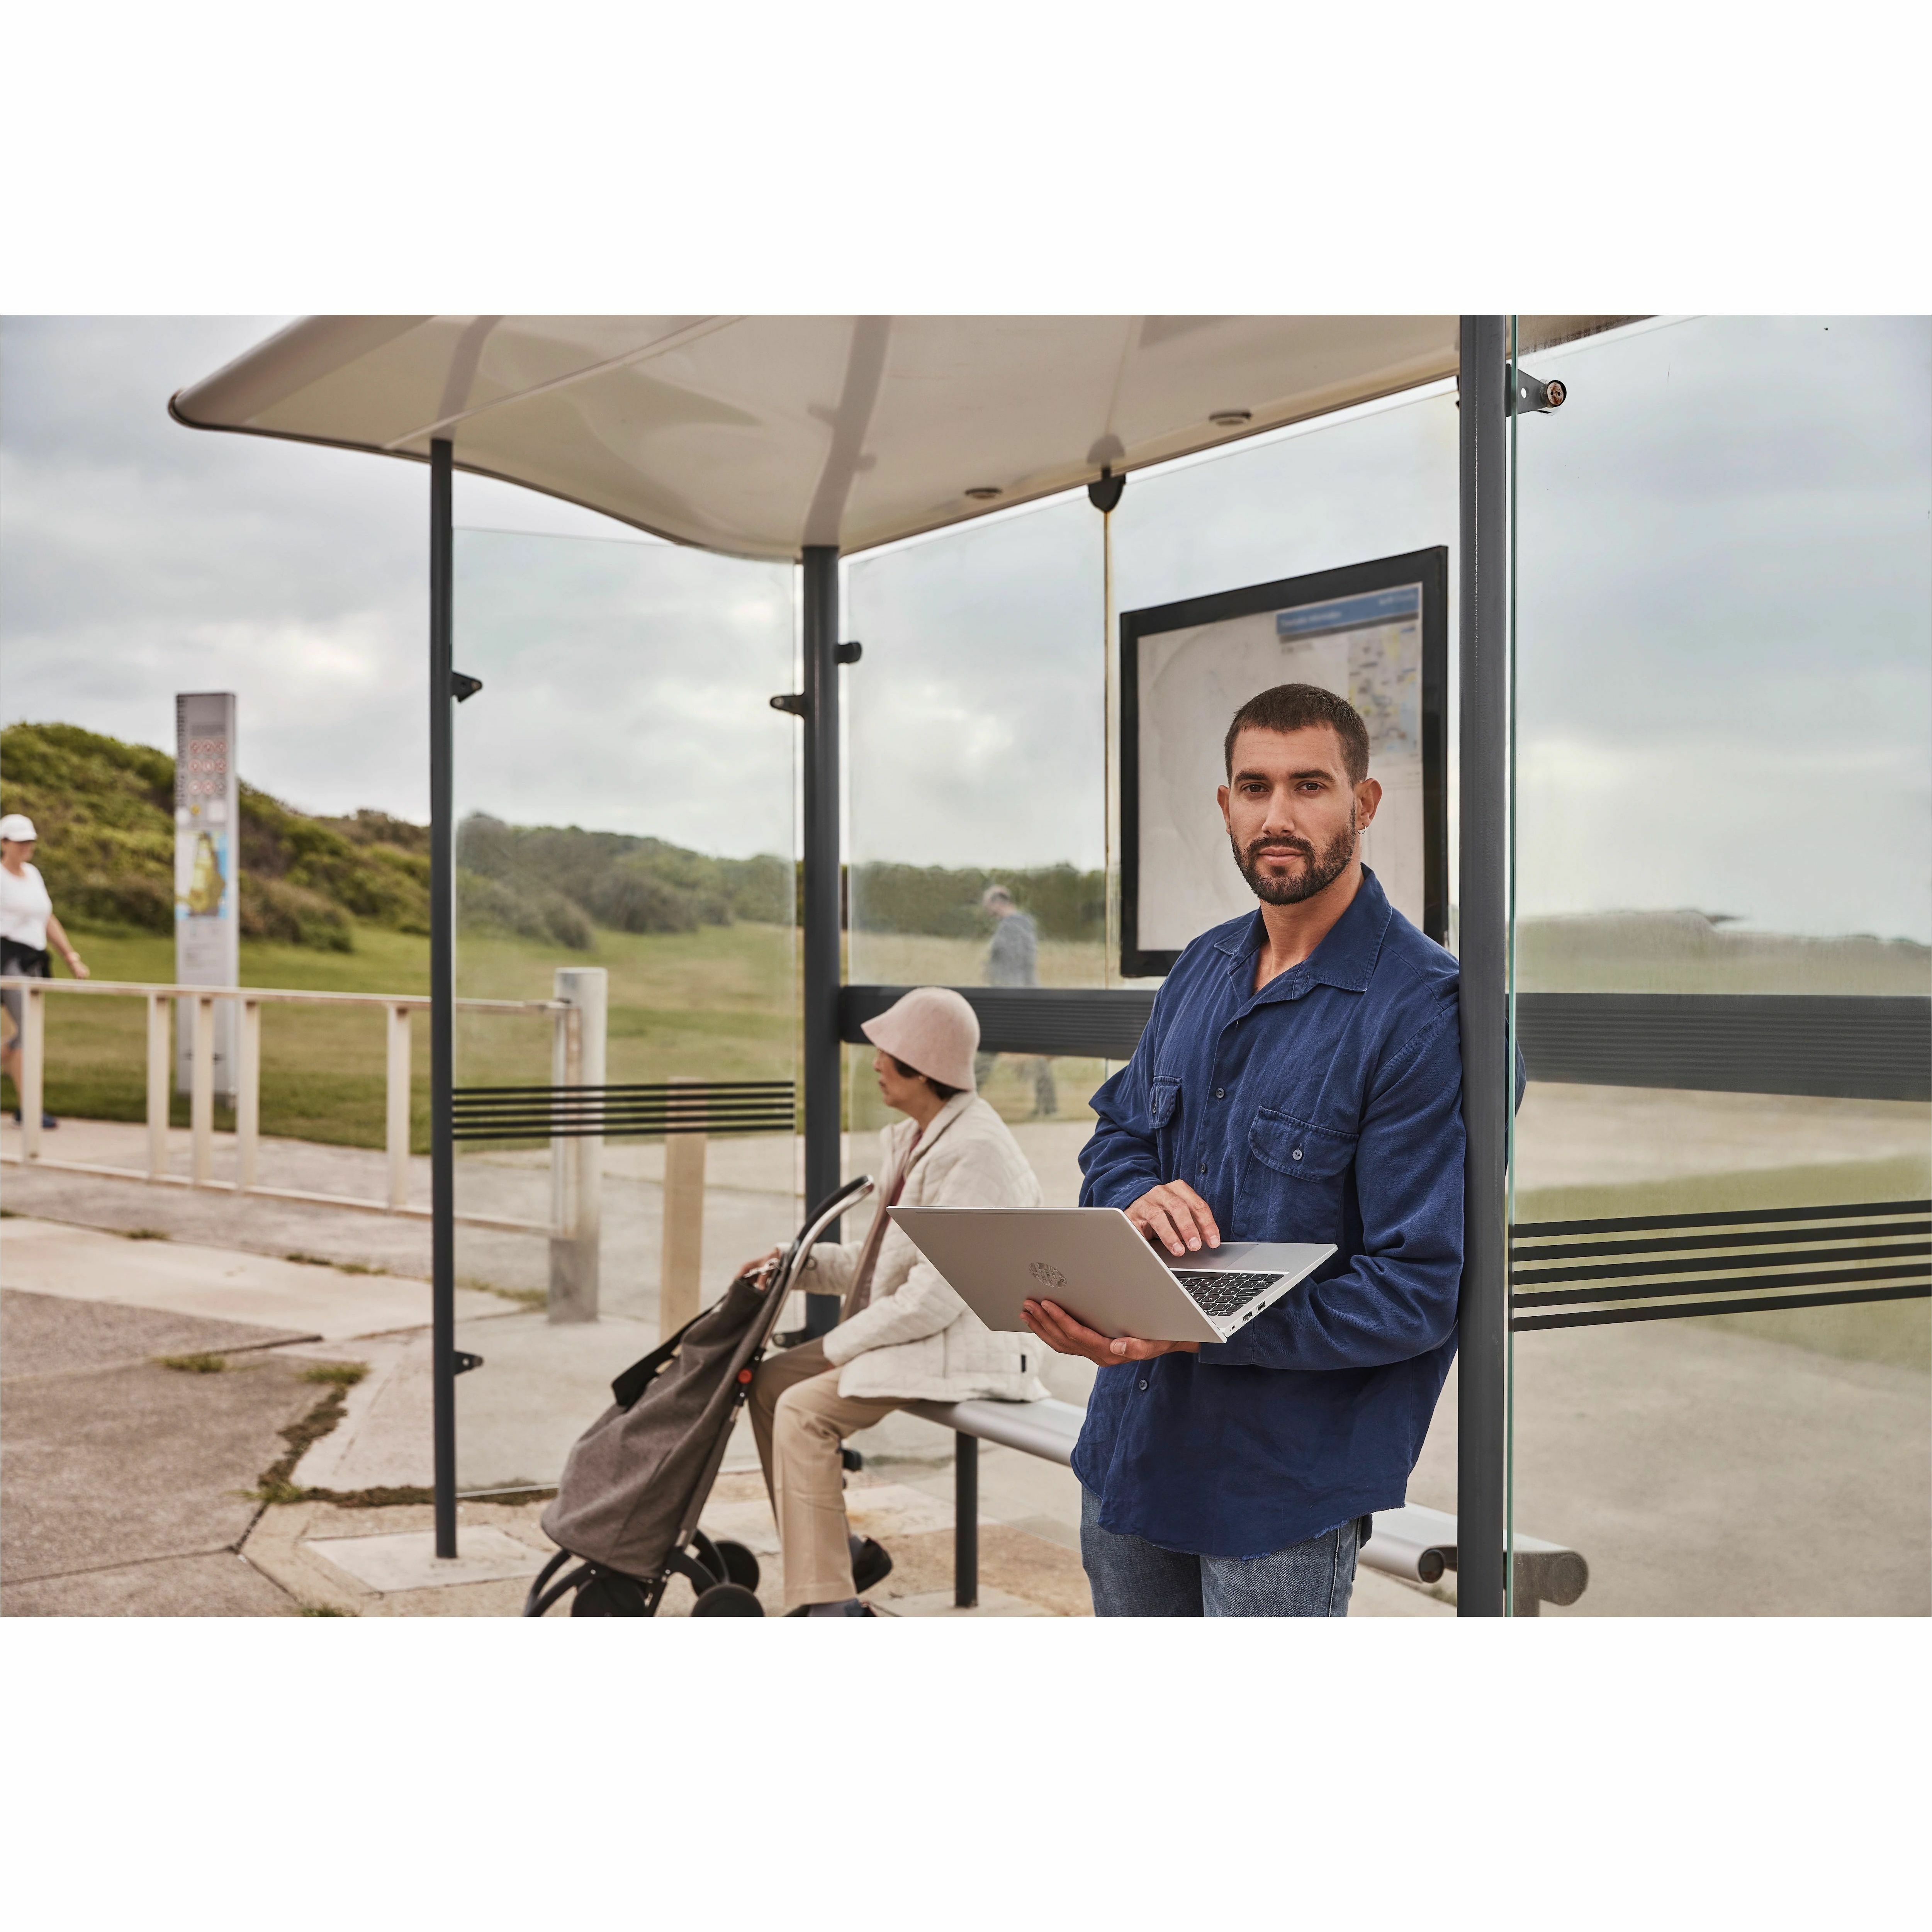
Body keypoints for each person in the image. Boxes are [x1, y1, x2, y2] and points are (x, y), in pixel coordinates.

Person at [1020, 683, 1465, 1617]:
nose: (1277, 816)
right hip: (1129, 1451)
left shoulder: (1422, 1011)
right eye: (1254, 787)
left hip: (1277, 1490)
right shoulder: (1201, 965)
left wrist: (1197, 1322)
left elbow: (1414, 1292)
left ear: (1364, 802)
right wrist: (1133, 1195)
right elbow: (1119, 1133)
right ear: (1224, 805)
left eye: (1309, 785)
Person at [742, 986, 1046, 1615]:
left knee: (801, 1409)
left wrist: (836, 1344)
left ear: (924, 1067)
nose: (876, 1063)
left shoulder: (975, 1153)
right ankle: (837, 1551)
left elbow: (932, 1301)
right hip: (923, 1336)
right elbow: (883, 1261)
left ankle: (831, 1605)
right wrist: (792, 1264)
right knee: (769, 1384)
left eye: (888, 1052)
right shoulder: (917, 1137)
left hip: (962, 1347)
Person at [1, 813, 89, 1129]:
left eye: (30, 841)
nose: (26, 847)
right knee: (29, 1031)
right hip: (7, 959)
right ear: (4, 843)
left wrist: (71, 956)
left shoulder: (34, 875)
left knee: (28, 1032)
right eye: (20, 841)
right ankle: (30, 1109)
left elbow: (47, 918)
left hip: (32, 960)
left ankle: (28, 1106)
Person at [974, 884, 1057, 1118]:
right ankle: (1048, 1107)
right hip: (1016, 1000)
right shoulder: (1014, 925)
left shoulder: (1015, 925)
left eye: (987, 903)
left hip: (1014, 1001)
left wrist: (1010, 997)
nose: (986, 909)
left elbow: (1018, 965)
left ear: (997, 902)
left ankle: (964, 1098)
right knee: (1034, 1052)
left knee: (990, 1048)